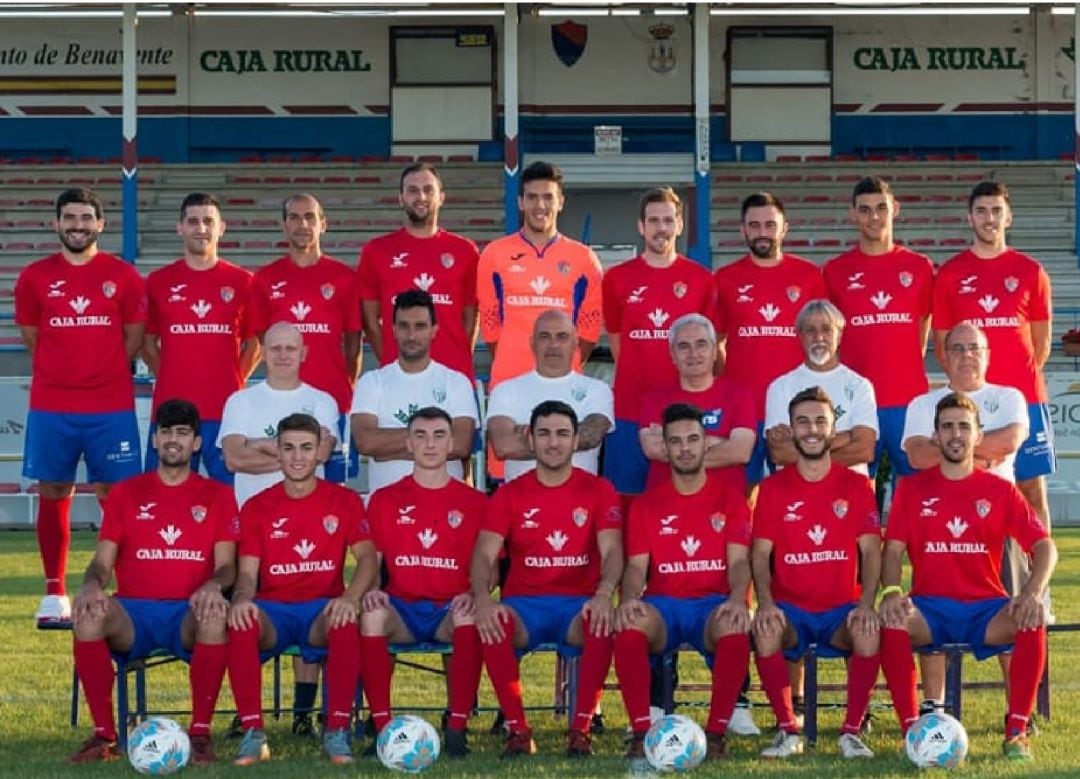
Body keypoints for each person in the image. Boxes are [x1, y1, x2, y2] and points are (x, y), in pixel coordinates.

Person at [880, 392, 1057, 761]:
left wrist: (1032, 592)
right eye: (947, 427)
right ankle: (912, 730)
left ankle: (1017, 731)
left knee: (1031, 619)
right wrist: (894, 592)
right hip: (930, 609)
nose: (955, 434)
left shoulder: (1000, 490)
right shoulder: (912, 489)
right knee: (893, 621)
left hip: (984, 609)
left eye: (964, 426)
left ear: (978, 436)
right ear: (936, 436)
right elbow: (892, 550)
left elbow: (1045, 546)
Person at [68, 399, 239, 765]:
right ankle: (104, 736)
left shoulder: (219, 496)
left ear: (196, 443)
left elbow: (227, 568)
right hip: (134, 613)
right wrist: (90, 586)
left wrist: (213, 586)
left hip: (188, 611)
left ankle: (200, 735)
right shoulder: (126, 493)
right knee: (88, 614)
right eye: (165, 432)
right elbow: (102, 562)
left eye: (182, 433)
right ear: (155, 440)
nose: (173, 440)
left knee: (214, 616)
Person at [15, 187, 146, 628]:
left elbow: (132, 337)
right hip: (53, 404)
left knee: (118, 496)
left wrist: (102, 372)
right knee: (54, 489)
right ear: (56, 223)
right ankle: (54, 592)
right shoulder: (34, 277)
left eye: (85, 218)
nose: (77, 225)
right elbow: (33, 337)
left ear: (100, 224)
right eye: (69, 217)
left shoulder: (123, 276)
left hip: (110, 405)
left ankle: (127, 589)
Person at [470, 401, 623, 758]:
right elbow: (483, 554)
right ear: (530, 438)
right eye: (544, 433)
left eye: (562, 434)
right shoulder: (509, 493)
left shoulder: (599, 490)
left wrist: (604, 593)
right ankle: (518, 731)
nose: (553, 443)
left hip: (576, 605)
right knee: (494, 623)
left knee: (600, 622)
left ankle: (581, 730)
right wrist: (482, 598)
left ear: (576, 441)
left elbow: (613, 550)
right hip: (525, 606)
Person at [225, 413, 377, 766]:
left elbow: (367, 559)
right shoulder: (257, 506)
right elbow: (247, 573)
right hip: (275, 609)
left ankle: (336, 730)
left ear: (320, 452)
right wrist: (242, 598)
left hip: (321, 608)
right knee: (242, 621)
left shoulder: (344, 501)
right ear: (277, 452)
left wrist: (350, 598)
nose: (297, 457)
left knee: (344, 622)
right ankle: (253, 734)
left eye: (306, 448)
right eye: (289, 448)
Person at [902, 322, 1029, 716]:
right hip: (936, 519)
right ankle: (932, 707)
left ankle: (1016, 711)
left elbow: (1009, 442)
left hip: (998, 523)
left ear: (988, 354)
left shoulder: (1009, 396)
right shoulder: (923, 404)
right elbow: (917, 457)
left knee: (1013, 614)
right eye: (956, 348)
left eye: (974, 347)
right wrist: (975, 450)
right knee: (932, 609)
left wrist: (952, 448)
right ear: (943, 355)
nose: (966, 355)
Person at [614, 403, 753, 764]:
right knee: (629, 623)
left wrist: (739, 598)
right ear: (665, 447)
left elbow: (739, 563)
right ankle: (642, 731)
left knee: (735, 627)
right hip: (665, 606)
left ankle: (717, 732)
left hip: (711, 605)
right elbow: (634, 568)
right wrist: (629, 598)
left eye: (693, 439)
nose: (686, 448)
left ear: (707, 443)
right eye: (676, 441)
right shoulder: (646, 505)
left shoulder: (731, 500)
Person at [751, 386, 882, 760]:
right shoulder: (772, 489)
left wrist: (868, 603)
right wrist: (766, 603)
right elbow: (760, 554)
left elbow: (872, 550)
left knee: (867, 628)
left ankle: (852, 732)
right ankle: (787, 730)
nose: (811, 429)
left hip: (841, 610)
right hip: (792, 611)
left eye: (820, 421)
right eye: (802, 421)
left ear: (833, 428)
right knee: (766, 626)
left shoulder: (857, 485)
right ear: (791, 429)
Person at [359, 407, 487, 758]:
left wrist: (478, 595)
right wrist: (372, 592)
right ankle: (382, 727)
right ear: (408, 444)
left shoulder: (476, 503)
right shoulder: (384, 499)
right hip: (402, 608)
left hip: (449, 608)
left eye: (439, 436)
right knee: (371, 616)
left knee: (469, 617)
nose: (430, 444)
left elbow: (486, 563)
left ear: (452, 445)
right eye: (420, 436)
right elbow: (375, 561)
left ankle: (457, 727)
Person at [932, 180, 1054, 536]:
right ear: (969, 218)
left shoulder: (1031, 271)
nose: (990, 219)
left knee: (1031, 491)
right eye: (982, 211)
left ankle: (1037, 587)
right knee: (972, 494)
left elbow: (1040, 345)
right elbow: (943, 345)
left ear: (1009, 217)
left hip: (1025, 399)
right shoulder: (951, 274)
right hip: (971, 405)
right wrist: (974, 390)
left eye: (997, 211)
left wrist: (1013, 385)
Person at [477, 161, 603, 480]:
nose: (540, 205)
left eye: (548, 197)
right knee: (514, 482)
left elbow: (587, 331)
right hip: (511, 386)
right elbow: (491, 328)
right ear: (520, 202)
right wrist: (515, 361)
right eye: (532, 197)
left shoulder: (583, 259)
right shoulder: (494, 254)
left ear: (561, 201)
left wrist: (561, 367)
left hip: (564, 386)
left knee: (565, 475)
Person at [601, 187, 715, 499]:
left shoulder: (702, 280)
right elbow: (617, 342)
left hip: (685, 414)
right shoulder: (616, 279)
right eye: (653, 220)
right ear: (641, 226)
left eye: (668, 220)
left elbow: (709, 353)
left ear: (679, 225)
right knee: (626, 502)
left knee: (684, 501)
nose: (661, 228)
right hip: (629, 411)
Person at [143, 193, 259, 484]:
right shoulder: (157, 282)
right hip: (171, 410)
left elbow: (255, 344)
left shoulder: (244, 282)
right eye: (193, 222)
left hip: (226, 411)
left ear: (222, 228)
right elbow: (146, 342)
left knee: (233, 498)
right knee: (166, 495)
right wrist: (171, 376)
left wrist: (233, 380)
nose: (201, 228)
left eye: (208, 221)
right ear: (179, 228)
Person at [823, 176, 934, 478]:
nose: (874, 217)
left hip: (908, 401)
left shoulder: (919, 267)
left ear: (895, 209)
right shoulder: (835, 271)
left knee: (920, 492)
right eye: (865, 209)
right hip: (854, 402)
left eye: (881, 208)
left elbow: (923, 325)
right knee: (851, 493)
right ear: (853, 214)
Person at [712, 192, 827, 486]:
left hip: (794, 407)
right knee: (739, 491)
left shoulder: (809, 277)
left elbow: (824, 344)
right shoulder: (725, 278)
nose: (762, 233)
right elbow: (715, 344)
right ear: (743, 230)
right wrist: (731, 385)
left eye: (770, 225)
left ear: (784, 228)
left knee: (794, 492)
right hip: (744, 409)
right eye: (754, 225)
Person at [248, 193, 361, 482]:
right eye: (294, 217)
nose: (302, 224)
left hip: (333, 403)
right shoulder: (264, 279)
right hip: (280, 405)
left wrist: (340, 387)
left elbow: (352, 344)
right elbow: (262, 341)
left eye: (310, 217)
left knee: (336, 492)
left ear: (323, 224)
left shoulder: (345, 278)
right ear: (284, 225)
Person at [357, 162, 480, 379]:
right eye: (412, 190)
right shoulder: (376, 251)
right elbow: (369, 320)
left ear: (441, 197)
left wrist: (458, 355)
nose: (421, 196)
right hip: (398, 375)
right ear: (401, 198)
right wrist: (390, 357)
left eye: (428, 189)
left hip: (453, 375)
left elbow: (471, 317)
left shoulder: (465, 250)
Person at [351, 290, 478, 493]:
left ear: (434, 330)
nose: (411, 335)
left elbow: (462, 444)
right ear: (393, 329)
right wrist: (436, 442)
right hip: (387, 507)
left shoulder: (456, 382)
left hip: (443, 505)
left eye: (420, 327)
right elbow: (366, 442)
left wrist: (386, 450)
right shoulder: (371, 382)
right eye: (404, 326)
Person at [217, 322, 339, 508]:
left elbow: (321, 454)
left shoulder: (323, 401)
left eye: (290, 348)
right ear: (263, 353)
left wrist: (259, 444)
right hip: (253, 516)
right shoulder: (240, 401)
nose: (283, 355)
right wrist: (300, 455)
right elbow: (235, 459)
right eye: (275, 348)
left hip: (307, 513)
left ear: (303, 353)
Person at [486, 309, 613, 481]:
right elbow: (504, 447)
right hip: (522, 500)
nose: (553, 344)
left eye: (562, 337)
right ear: (532, 343)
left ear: (576, 342)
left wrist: (531, 435)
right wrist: (571, 435)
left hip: (580, 501)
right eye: (544, 336)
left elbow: (591, 437)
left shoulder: (597, 390)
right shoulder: (505, 390)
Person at [639, 313, 756, 496]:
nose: (693, 354)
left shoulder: (740, 395)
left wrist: (677, 448)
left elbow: (741, 452)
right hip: (665, 505)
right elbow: (652, 449)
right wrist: (716, 442)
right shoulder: (654, 399)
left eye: (701, 344)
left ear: (715, 351)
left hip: (725, 506)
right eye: (684, 347)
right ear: (672, 355)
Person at [764, 299, 878, 475]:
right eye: (810, 330)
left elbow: (863, 450)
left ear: (839, 335)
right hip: (795, 491)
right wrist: (846, 437)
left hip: (848, 488)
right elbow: (780, 453)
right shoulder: (780, 387)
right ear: (800, 335)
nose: (819, 337)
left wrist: (804, 447)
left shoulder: (860, 386)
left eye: (826, 329)